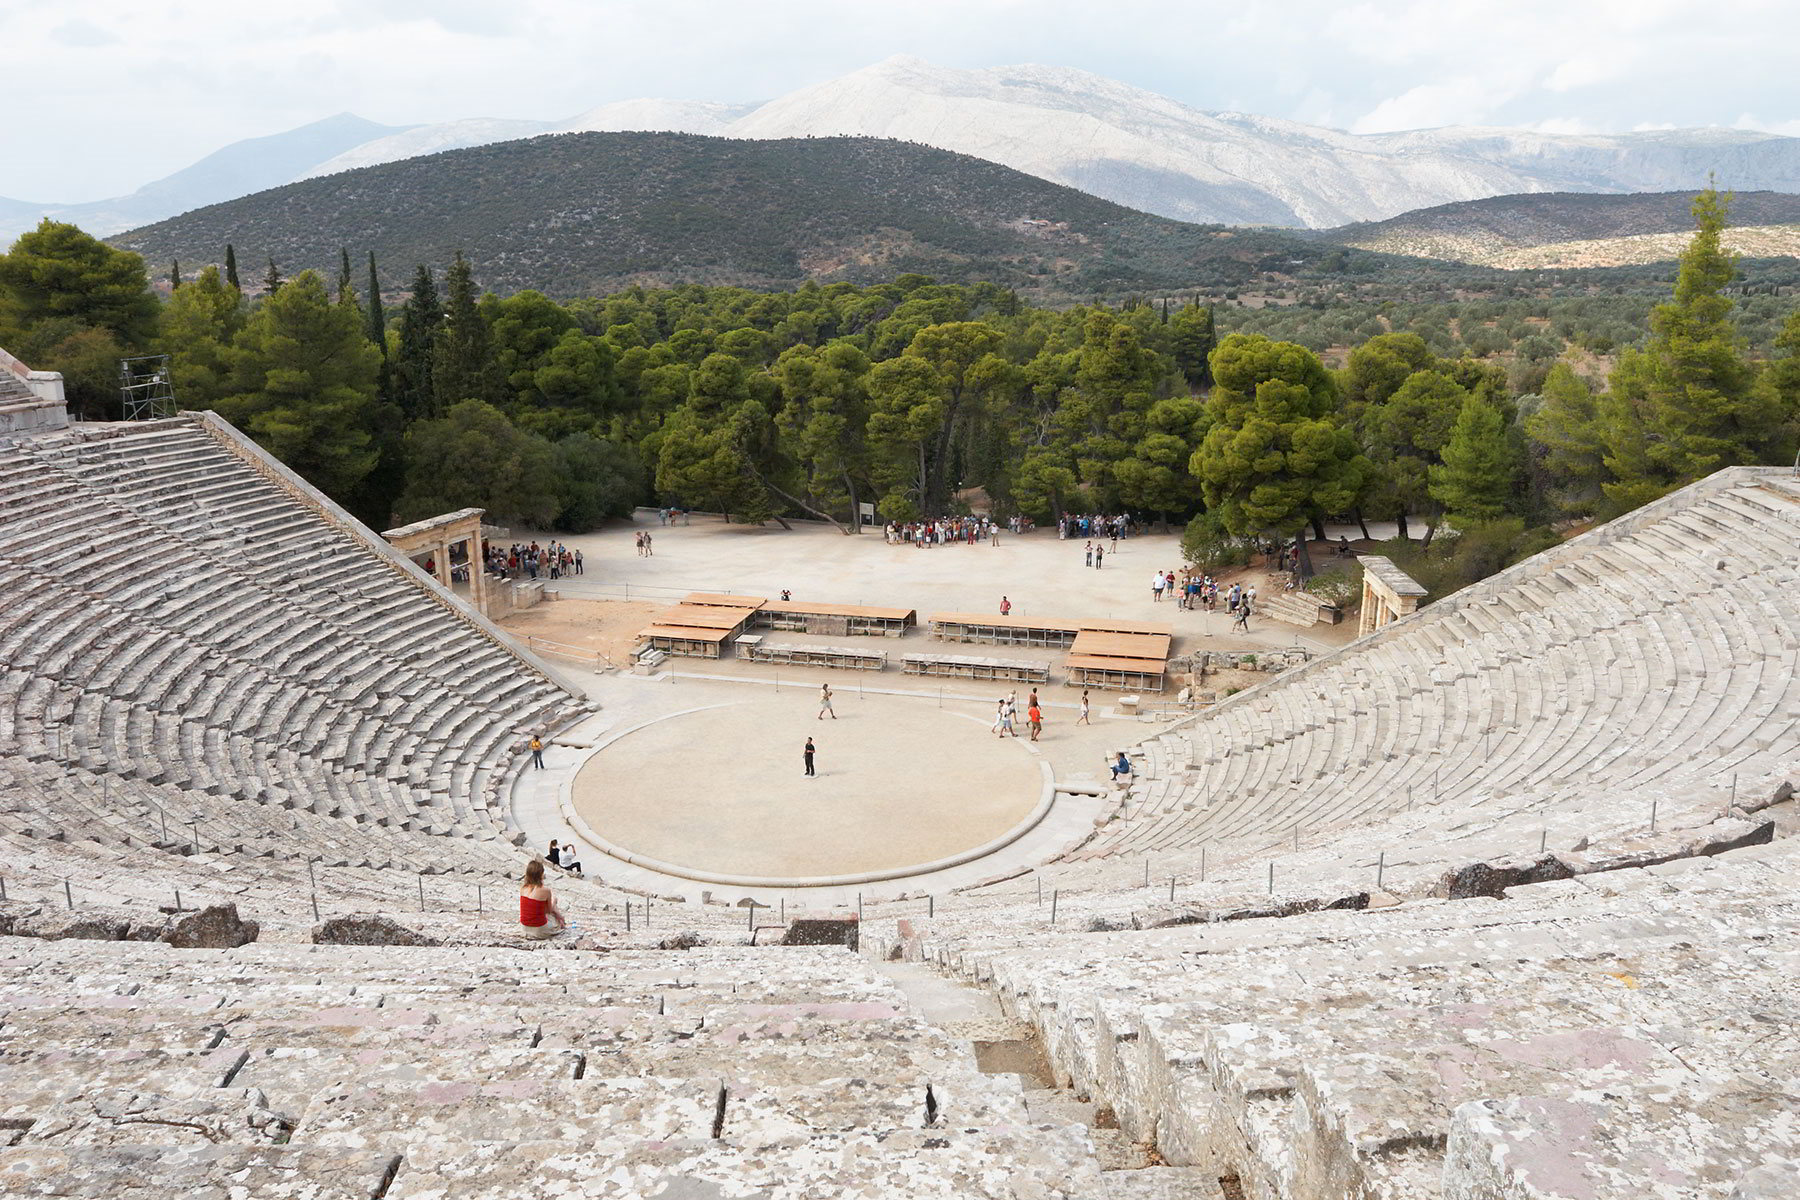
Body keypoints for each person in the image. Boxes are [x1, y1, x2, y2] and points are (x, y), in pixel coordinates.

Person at [519, 859, 568, 940]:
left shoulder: (523, 888)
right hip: (539, 930)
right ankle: (561, 920)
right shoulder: (545, 890)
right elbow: (549, 910)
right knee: (554, 907)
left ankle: (560, 918)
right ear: (540, 875)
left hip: (524, 927)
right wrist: (554, 902)